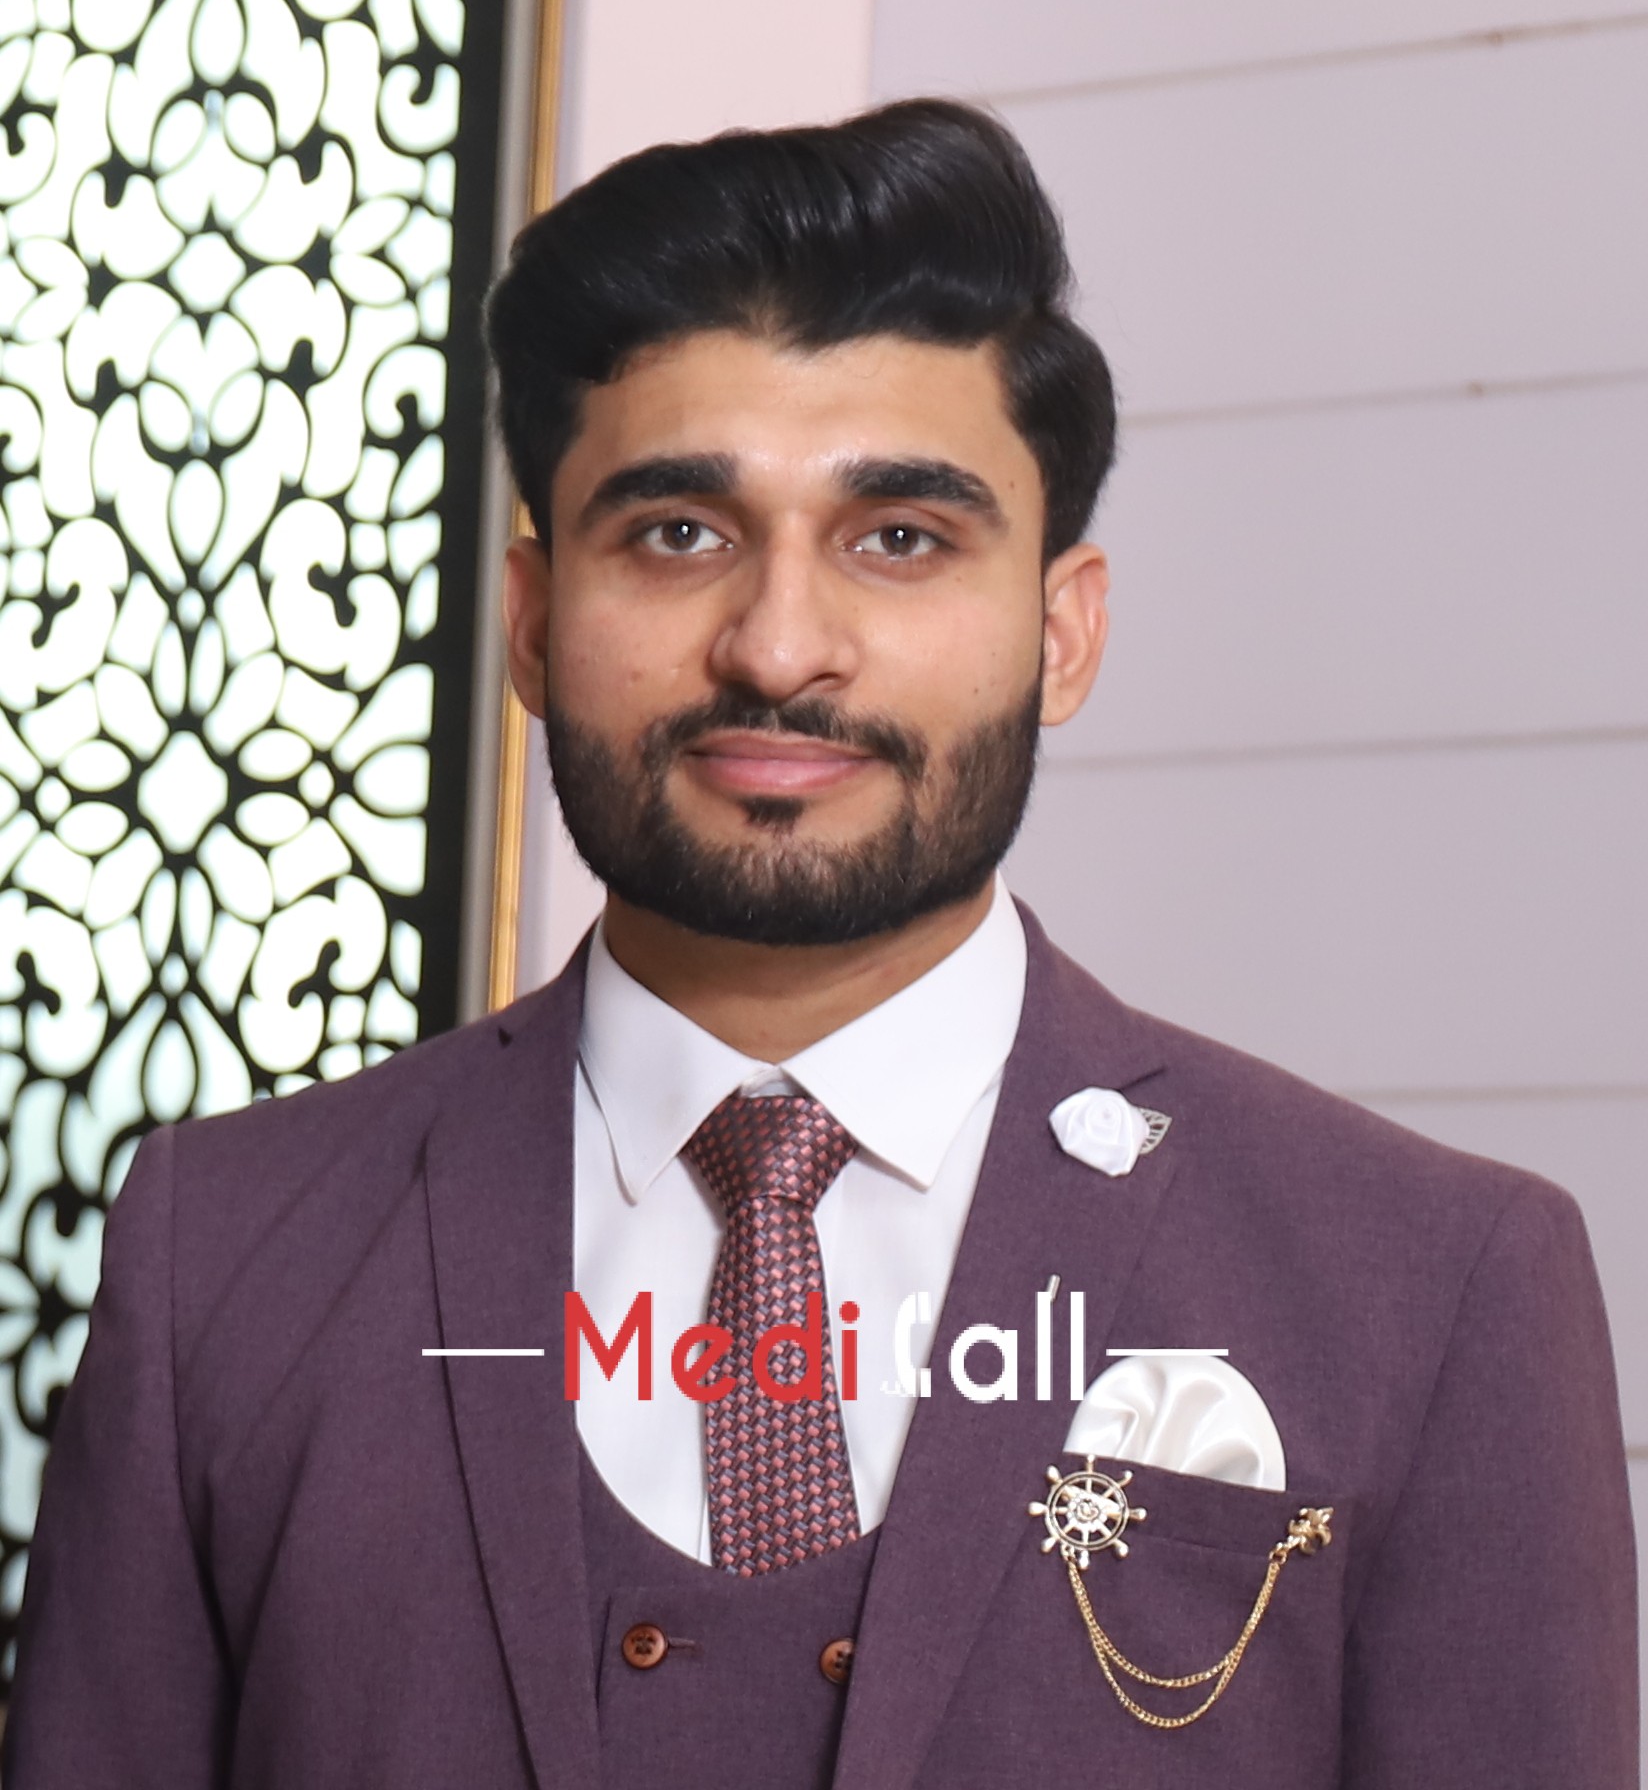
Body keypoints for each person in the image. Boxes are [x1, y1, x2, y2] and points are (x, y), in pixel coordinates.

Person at [3, 100, 1636, 1789]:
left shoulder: (1433, 1288)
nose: (780, 648)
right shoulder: (226, 1258)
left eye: (900, 540)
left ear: (1063, 633)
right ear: (536, 623)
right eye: (678, 534)